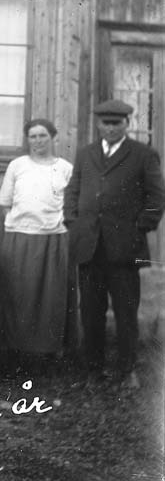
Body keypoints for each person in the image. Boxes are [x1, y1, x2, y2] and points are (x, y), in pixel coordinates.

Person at [64, 99, 165, 391]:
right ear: (98, 124)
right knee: (90, 314)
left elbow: (156, 198)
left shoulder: (143, 154)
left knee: (126, 313)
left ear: (126, 124)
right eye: (105, 123)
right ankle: (93, 371)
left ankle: (127, 370)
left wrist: (139, 229)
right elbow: (73, 190)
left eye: (116, 123)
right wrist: (73, 221)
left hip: (124, 250)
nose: (110, 128)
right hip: (90, 247)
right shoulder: (86, 154)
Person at [0, 119, 73, 375]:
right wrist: (20, 223)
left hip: (53, 237)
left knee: (50, 295)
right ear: (27, 139)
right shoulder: (17, 166)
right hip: (20, 236)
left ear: (53, 137)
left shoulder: (65, 168)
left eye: (43, 136)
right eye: (33, 136)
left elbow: (71, 205)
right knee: (18, 292)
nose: (38, 141)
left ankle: (48, 352)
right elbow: (5, 202)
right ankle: (15, 351)